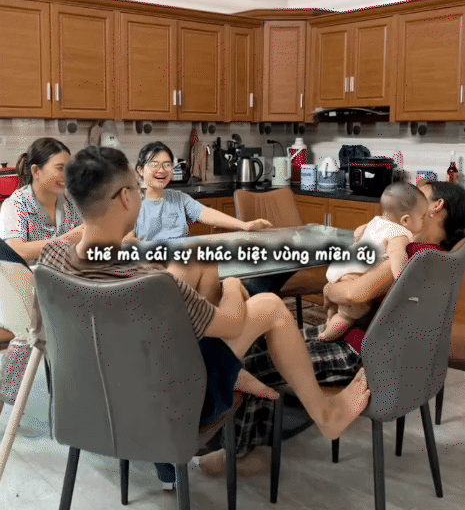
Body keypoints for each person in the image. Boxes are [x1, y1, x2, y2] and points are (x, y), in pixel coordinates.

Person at [32, 146, 370, 449]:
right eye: (135, 188)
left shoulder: (52, 259)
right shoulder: (152, 283)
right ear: (124, 198)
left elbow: (41, 334)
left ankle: (235, 372)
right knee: (267, 305)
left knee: (196, 262)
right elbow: (231, 323)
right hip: (165, 409)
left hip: (92, 402)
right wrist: (234, 284)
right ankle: (326, 415)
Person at [199, 179, 465, 475]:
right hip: (377, 348)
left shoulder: (412, 253)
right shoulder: (439, 257)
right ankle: (260, 434)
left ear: (436, 207)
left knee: (252, 364)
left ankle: (240, 453)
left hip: (360, 352)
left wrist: (329, 289)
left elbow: (353, 294)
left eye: (420, 196)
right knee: (263, 341)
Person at [319, 183, 428, 341]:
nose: (424, 221)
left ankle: (328, 319)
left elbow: (357, 233)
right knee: (347, 315)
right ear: (405, 220)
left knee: (338, 304)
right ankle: (326, 336)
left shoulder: (376, 221)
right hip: (354, 275)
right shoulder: (400, 234)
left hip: (341, 267)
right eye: (422, 217)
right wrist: (402, 279)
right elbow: (397, 256)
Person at [128, 141, 273, 245]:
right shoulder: (131, 202)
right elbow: (126, 241)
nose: (162, 170)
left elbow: (206, 213)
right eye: (154, 164)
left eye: (167, 164)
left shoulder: (179, 198)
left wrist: (244, 225)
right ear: (140, 170)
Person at [0, 137, 83, 262]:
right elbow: (16, 250)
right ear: (36, 171)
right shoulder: (16, 205)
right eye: (60, 168)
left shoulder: (71, 202)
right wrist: (67, 239)